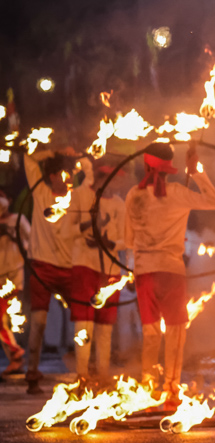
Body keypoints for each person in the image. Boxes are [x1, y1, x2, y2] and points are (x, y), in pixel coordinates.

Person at [125, 142, 215, 399]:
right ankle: (171, 389)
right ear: (170, 169)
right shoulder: (178, 192)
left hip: (144, 273)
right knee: (176, 332)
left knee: (151, 333)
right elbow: (214, 201)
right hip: (171, 272)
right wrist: (196, 170)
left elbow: (126, 239)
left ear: (146, 165)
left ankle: (146, 387)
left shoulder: (133, 195)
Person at [63, 161, 129, 384]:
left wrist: (111, 244)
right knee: (84, 324)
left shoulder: (119, 204)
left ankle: (102, 375)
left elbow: (126, 239)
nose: (116, 185)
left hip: (110, 269)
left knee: (105, 327)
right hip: (84, 265)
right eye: (114, 179)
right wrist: (86, 227)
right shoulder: (79, 195)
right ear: (101, 178)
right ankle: (81, 374)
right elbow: (65, 231)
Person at [23, 148, 79, 394]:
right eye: (62, 174)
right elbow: (28, 158)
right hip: (42, 267)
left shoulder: (77, 199)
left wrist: (77, 155)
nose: (66, 179)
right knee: (38, 323)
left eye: (69, 174)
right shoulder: (40, 193)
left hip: (69, 268)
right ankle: (32, 375)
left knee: (84, 319)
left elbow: (88, 169)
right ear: (52, 176)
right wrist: (54, 151)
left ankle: (86, 374)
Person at [0, 190, 29, 375]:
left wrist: (11, 235)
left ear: (9, 200)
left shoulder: (18, 219)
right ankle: (15, 358)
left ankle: (16, 353)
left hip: (13, 276)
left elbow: (31, 242)